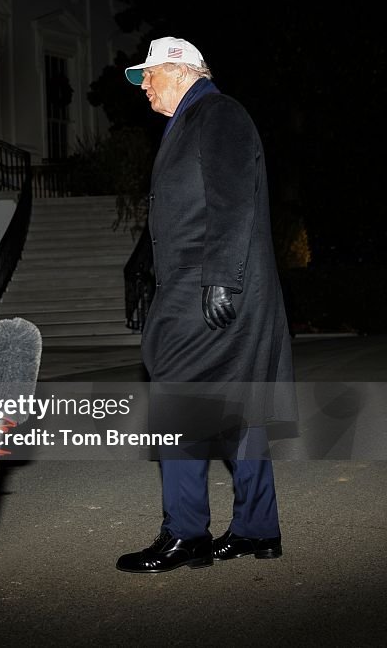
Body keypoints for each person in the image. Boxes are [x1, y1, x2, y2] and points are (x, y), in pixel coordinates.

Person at [116, 37, 295, 573]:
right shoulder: (193, 120)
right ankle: (256, 531)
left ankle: (187, 534)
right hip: (207, 285)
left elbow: (233, 196)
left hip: (209, 289)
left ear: (180, 70)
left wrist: (220, 279)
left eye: (149, 74)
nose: (144, 85)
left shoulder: (216, 113)